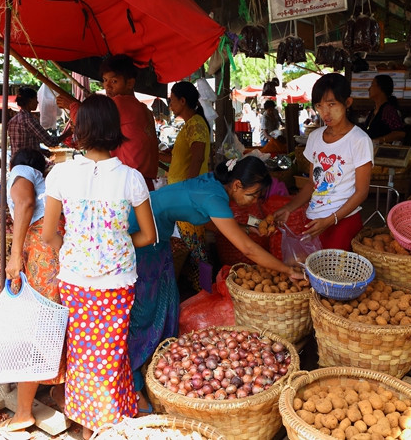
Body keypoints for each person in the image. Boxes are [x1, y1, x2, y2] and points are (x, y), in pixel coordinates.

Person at [127, 156, 301, 411]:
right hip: (142, 236)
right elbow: (247, 250)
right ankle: (132, 382)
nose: (253, 203)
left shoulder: (216, 185)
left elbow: (212, 220)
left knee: (166, 299)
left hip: (157, 235)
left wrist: (248, 226)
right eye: (253, 195)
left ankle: (158, 362)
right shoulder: (214, 196)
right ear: (238, 185)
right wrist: (286, 269)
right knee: (145, 309)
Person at [42, 94, 156, 440]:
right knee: (112, 348)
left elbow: (48, 235)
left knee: (84, 350)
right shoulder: (131, 178)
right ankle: (107, 418)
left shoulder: (60, 174)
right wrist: (117, 245)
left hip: (75, 279)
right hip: (117, 281)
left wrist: (75, 250)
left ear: (80, 129)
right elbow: (149, 236)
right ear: (115, 130)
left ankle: (98, 415)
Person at [0, 148, 65, 435]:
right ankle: (60, 391)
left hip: (39, 250)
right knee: (56, 318)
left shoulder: (20, 172)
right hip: (48, 248)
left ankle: (24, 411)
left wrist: (15, 254)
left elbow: (24, 203)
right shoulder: (40, 177)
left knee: (37, 325)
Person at [274, 73, 373, 251]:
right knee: (313, 273)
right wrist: (290, 207)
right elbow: (313, 183)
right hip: (314, 220)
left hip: (343, 221)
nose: (325, 112)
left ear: (347, 103)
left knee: (335, 274)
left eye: (331, 104)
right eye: (319, 106)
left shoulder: (359, 140)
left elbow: (361, 192)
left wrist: (331, 220)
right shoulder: (315, 137)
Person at [158, 82, 211, 287]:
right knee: (190, 243)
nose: (169, 104)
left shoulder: (196, 123)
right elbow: (180, 161)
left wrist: (187, 192)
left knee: (196, 246)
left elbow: (197, 159)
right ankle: (200, 287)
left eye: (172, 100)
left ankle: (205, 288)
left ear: (183, 100)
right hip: (184, 194)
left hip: (190, 195)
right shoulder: (189, 125)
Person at [101, 54, 159, 190]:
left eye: (114, 81)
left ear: (130, 83)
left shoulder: (119, 102)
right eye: (104, 80)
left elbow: (90, 122)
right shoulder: (145, 110)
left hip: (127, 183)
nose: (107, 86)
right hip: (145, 182)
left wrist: (72, 106)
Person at [7, 86, 73, 155]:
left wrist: (41, 151)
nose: (38, 102)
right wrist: (68, 132)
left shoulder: (12, 120)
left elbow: (21, 145)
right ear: (30, 101)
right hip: (28, 162)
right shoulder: (29, 120)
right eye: (36, 99)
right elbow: (50, 142)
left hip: (16, 162)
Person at [364, 75, 406, 144]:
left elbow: (400, 133)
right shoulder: (373, 111)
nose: (369, 89)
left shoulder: (387, 110)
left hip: (383, 152)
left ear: (380, 88)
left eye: (372, 85)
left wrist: (379, 140)